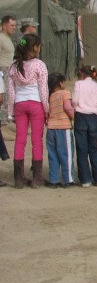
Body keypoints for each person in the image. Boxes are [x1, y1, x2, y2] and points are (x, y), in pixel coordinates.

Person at [7, 34, 49, 188]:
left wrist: (10, 111)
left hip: (19, 104)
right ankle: (37, 179)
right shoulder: (39, 65)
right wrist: (46, 109)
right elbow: (43, 89)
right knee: (37, 140)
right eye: (38, 45)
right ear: (34, 47)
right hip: (36, 104)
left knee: (20, 140)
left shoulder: (13, 66)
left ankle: (19, 179)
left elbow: (11, 92)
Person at [72, 65, 97, 187]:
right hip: (94, 116)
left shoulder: (78, 84)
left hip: (81, 116)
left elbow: (74, 100)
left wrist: (76, 107)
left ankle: (85, 179)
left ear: (82, 73)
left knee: (82, 150)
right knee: (94, 148)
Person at [45, 72, 76, 187]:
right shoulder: (65, 93)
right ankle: (68, 179)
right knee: (66, 155)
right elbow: (68, 107)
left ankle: (54, 180)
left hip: (51, 129)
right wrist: (74, 117)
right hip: (63, 128)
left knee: (53, 155)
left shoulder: (50, 96)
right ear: (61, 83)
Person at [0, 15, 16, 127]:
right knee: (3, 98)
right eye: (12, 25)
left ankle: (7, 122)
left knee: (9, 97)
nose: (14, 27)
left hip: (9, 70)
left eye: (15, 25)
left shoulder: (8, 38)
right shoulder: (0, 38)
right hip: (3, 70)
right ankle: (3, 125)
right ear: (5, 26)